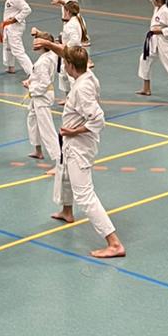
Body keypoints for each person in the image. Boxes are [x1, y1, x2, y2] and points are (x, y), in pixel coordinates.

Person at [35, 39, 123, 260]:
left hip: (79, 145)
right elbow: (67, 53)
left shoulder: (82, 89)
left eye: (65, 63)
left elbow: (98, 119)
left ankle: (114, 243)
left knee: (84, 194)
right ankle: (67, 211)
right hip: (72, 143)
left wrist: (75, 131)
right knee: (64, 173)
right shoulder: (87, 75)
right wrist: (49, 44)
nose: (63, 65)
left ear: (71, 67)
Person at [23, 31, 60, 170]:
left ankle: (59, 161)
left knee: (47, 129)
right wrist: (30, 80)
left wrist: (30, 87)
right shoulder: (50, 55)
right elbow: (38, 76)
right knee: (32, 120)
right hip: (38, 96)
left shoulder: (44, 61)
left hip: (42, 96)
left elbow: (44, 83)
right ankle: (38, 150)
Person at [0, 0, 33, 77]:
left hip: (14, 26)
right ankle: (10, 66)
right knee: (8, 46)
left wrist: (15, 19)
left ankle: (32, 72)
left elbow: (27, 9)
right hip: (9, 26)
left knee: (17, 50)